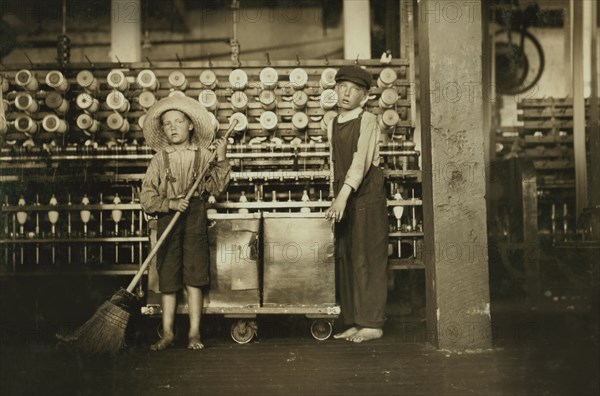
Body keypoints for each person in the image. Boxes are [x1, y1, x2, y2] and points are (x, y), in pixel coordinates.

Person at [140, 95, 230, 350]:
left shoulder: (204, 155)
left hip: (195, 217)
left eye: (178, 121)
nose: (173, 127)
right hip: (169, 218)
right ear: (162, 130)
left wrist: (221, 158)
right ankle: (168, 333)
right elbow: (146, 197)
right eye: (167, 123)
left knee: (194, 275)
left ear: (190, 125)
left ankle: (194, 333)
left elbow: (218, 187)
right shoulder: (159, 159)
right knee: (168, 276)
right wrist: (168, 204)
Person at [325, 65, 388, 343]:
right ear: (335, 90)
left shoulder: (368, 121)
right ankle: (354, 320)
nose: (345, 93)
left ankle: (372, 324)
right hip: (345, 198)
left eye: (353, 89)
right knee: (347, 259)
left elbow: (360, 164)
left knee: (368, 259)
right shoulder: (332, 123)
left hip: (366, 198)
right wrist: (334, 195)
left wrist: (342, 196)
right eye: (341, 87)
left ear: (364, 97)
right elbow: (334, 164)